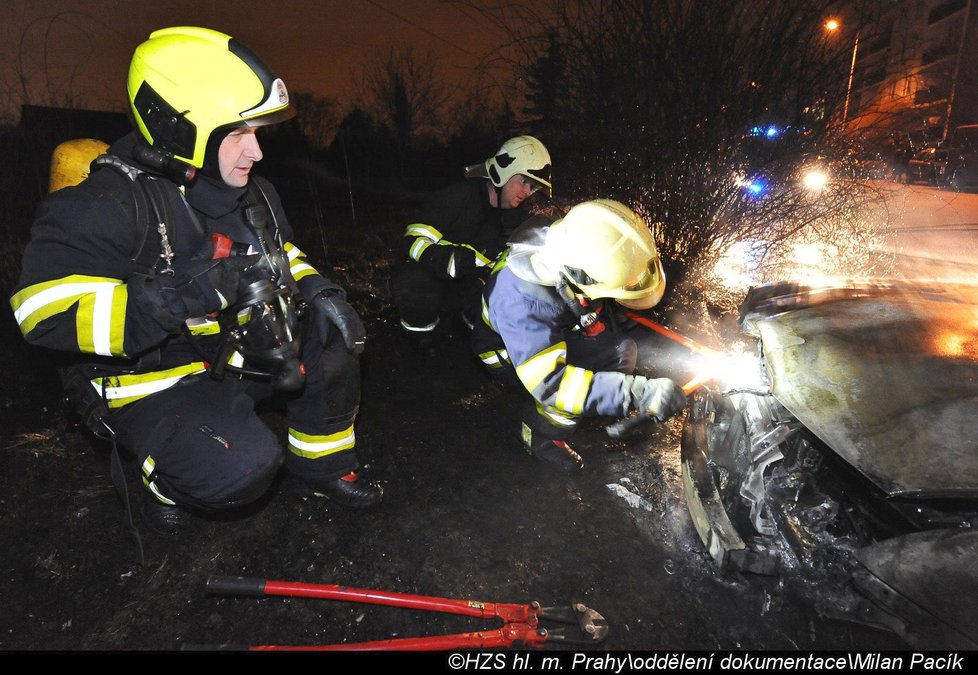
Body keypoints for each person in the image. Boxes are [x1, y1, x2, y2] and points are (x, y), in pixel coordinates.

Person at [9, 26, 382, 534]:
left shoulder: (254, 194)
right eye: (237, 134)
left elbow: (281, 254)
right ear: (177, 129)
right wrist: (177, 295)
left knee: (331, 337)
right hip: (151, 383)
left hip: (229, 353)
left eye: (256, 133)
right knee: (242, 469)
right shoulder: (102, 205)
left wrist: (318, 288)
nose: (256, 152)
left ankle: (321, 466)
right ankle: (157, 476)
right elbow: (43, 315)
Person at [471, 199, 688, 472]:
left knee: (622, 349)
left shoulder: (567, 242)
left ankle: (593, 401)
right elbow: (553, 384)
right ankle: (541, 434)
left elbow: (576, 297)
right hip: (508, 357)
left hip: (545, 332)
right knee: (570, 391)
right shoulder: (522, 301)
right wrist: (636, 392)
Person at [391, 135, 553, 355]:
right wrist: (444, 257)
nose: (526, 192)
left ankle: (467, 337)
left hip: (467, 289)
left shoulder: (516, 220)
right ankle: (420, 342)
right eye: (523, 181)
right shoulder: (458, 197)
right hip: (432, 278)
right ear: (502, 173)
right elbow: (410, 241)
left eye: (532, 187)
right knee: (414, 286)